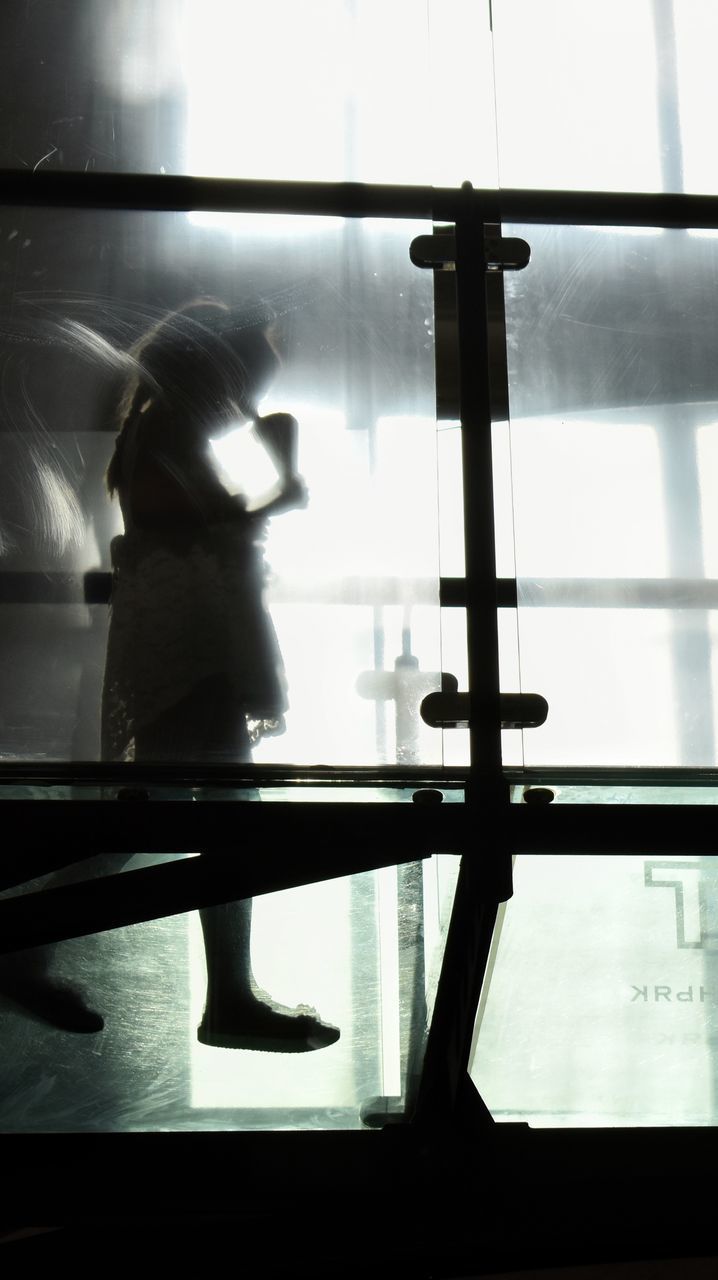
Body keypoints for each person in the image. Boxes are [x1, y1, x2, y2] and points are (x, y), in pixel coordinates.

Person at [0, 298, 340, 1054]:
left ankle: (33, 948)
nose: (245, 398)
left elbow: (189, 535)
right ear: (214, 371)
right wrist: (278, 488)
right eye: (248, 377)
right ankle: (218, 995)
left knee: (172, 815)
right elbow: (180, 539)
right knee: (206, 815)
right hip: (186, 655)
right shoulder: (161, 432)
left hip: (189, 651)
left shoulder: (163, 430)